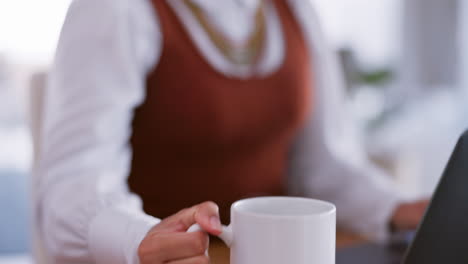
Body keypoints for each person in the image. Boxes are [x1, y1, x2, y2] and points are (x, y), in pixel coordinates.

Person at [35, 0, 428, 263]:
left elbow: (324, 166)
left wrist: (401, 209)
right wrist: (140, 237)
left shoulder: (295, 10)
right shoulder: (117, 10)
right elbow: (71, 186)